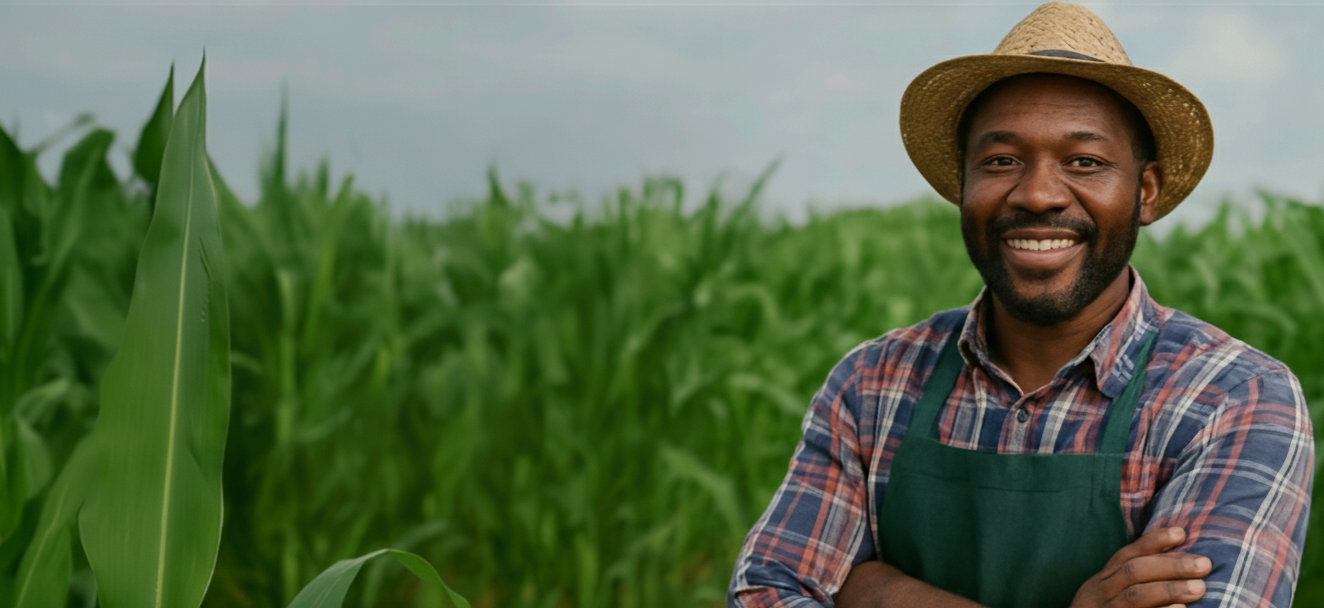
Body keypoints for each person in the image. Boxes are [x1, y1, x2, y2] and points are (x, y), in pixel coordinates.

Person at [727, 3, 1314, 608]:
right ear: (963, 184)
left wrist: (877, 592)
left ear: (1145, 191)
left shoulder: (1233, 398)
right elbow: (764, 592)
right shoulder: (873, 383)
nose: (1037, 195)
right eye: (1001, 161)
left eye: (1084, 162)